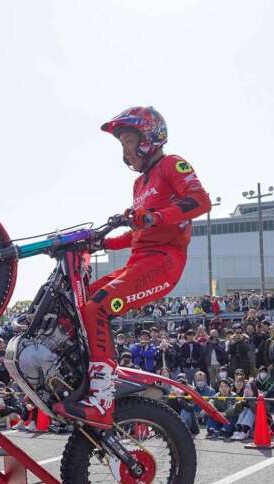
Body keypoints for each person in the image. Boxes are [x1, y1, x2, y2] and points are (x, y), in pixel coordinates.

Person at [54, 106, 211, 428]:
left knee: (97, 307)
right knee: (78, 304)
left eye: (128, 141)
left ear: (149, 137)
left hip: (163, 262)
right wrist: (103, 243)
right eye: (122, 144)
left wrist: (155, 216)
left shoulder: (172, 164)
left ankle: (101, 400)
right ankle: (79, 379)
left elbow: (200, 201)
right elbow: (140, 231)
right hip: (138, 262)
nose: (124, 150)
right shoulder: (139, 184)